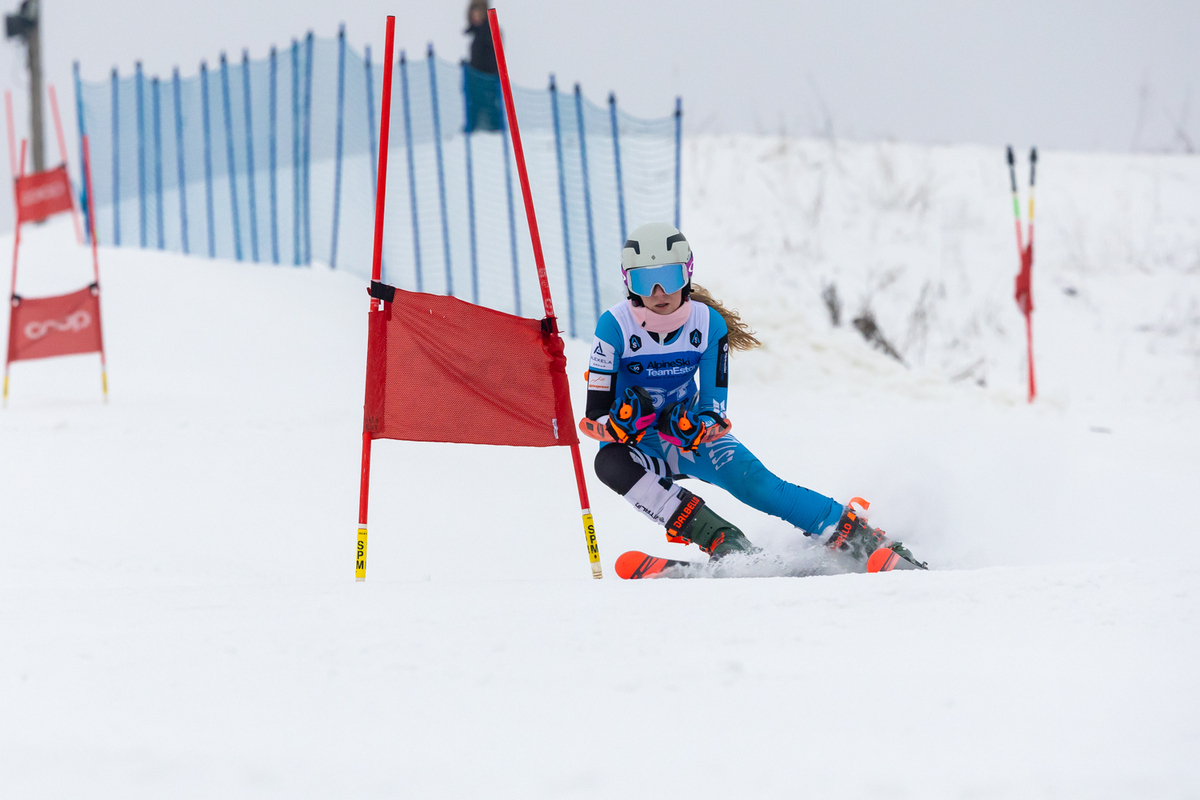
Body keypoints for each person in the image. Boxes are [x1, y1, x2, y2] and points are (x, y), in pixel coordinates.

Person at [586, 222, 921, 566]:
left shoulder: (708, 324)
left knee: (758, 486)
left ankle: (866, 539)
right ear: (628, 283)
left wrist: (697, 428)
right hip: (638, 446)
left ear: (687, 273)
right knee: (608, 463)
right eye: (645, 281)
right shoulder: (614, 326)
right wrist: (618, 425)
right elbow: (593, 416)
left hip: (686, 438)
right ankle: (723, 540)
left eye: (669, 278)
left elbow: (714, 411)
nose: (659, 292)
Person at [463, 0, 503, 133]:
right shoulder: (477, 33)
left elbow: (492, 57)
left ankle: (492, 130)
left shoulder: (488, 31)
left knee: (489, 106)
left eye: (478, 14)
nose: (476, 17)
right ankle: (474, 128)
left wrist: (479, 71)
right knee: (475, 104)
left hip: (487, 79)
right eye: (473, 14)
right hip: (478, 78)